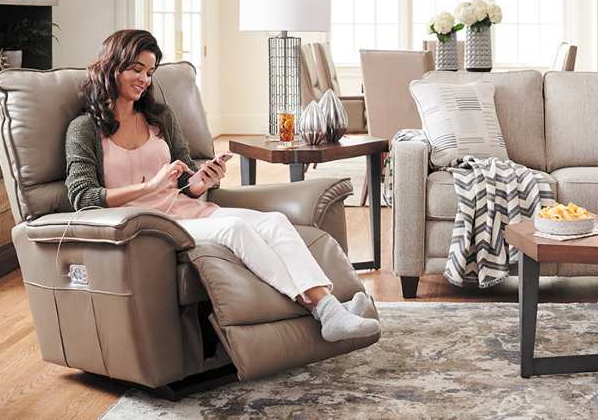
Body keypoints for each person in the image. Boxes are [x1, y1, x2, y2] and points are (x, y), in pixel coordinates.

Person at [65, 30, 379, 342]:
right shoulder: (85, 129)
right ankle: (326, 309)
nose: (144, 79)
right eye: (136, 69)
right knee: (235, 230)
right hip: (151, 226)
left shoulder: (159, 118)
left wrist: (203, 180)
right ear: (111, 67)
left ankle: (329, 309)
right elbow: (83, 197)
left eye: (149, 72)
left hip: (190, 211)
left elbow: (187, 180)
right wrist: (151, 187)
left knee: (274, 222)